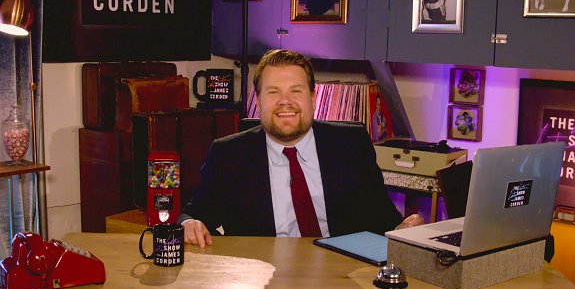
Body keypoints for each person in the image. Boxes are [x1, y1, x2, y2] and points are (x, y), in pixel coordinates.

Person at [178, 49, 423, 247]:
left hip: (341, 276)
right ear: (259, 99)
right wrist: (189, 224)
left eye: (296, 91)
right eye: (274, 92)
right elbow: (191, 216)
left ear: (313, 98)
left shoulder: (351, 145)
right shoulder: (229, 155)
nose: (286, 101)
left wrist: (406, 226)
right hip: (263, 279)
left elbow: (383, 219)